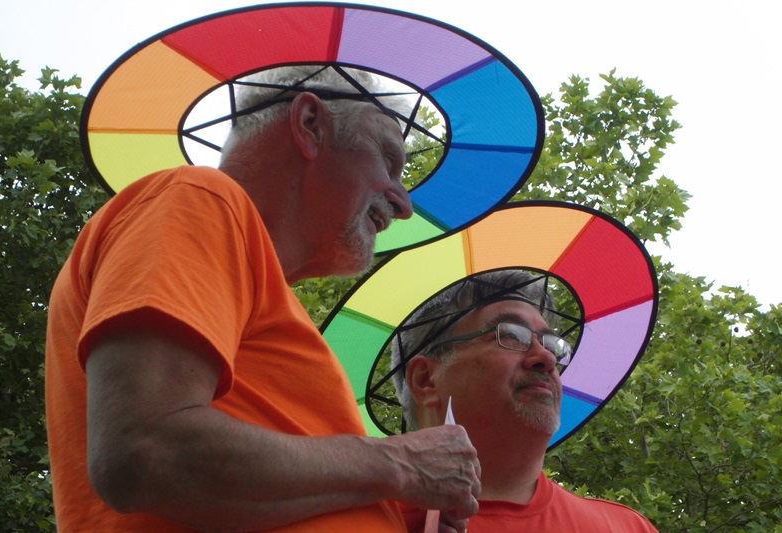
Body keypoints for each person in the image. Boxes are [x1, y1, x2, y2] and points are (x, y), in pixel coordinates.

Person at [45, 65, 481, 532]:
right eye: (388, 161)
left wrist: (387, 509)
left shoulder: (267, 299)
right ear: (310, 125)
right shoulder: (196, 197)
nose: (403, 203)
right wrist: (398, 466)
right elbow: (144, 451)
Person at [391, 269, 658, 532]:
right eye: (512, 335)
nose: (547, 358)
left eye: (551, 343)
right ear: (425, 380)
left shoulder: (627, 527)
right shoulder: (364, 514)